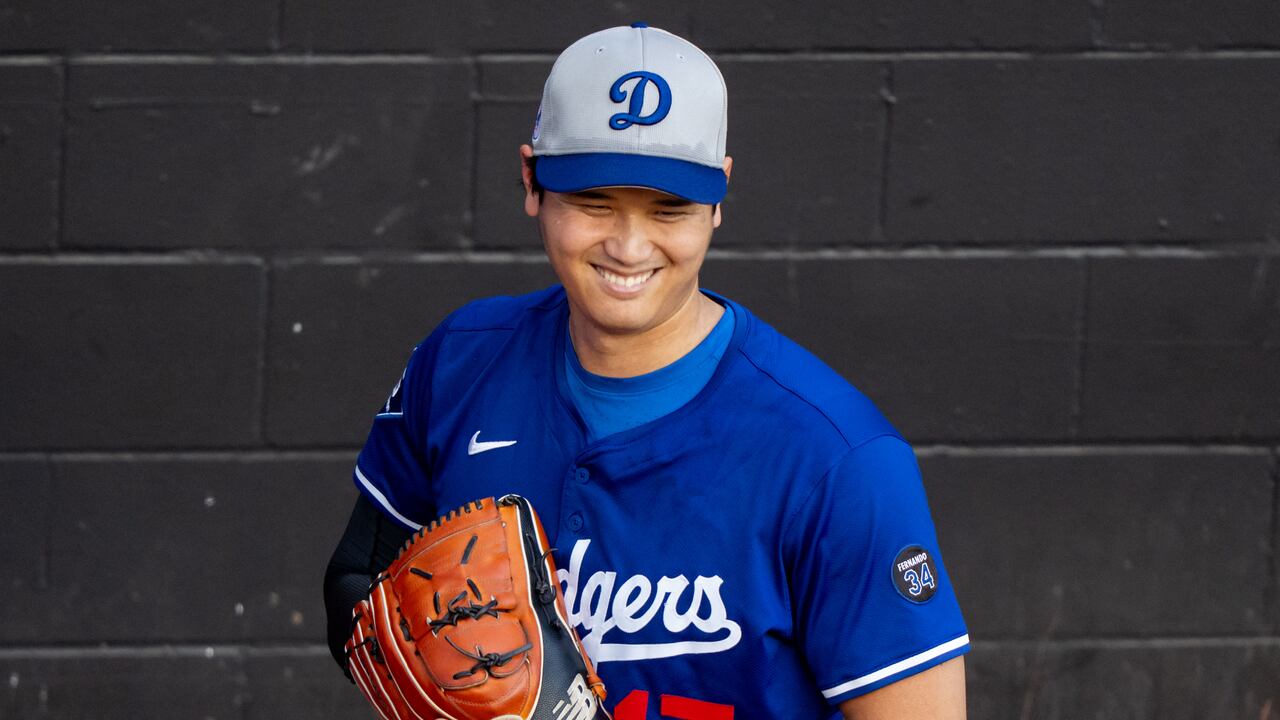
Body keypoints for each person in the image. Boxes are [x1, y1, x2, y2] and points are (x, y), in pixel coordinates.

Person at [324, 23, 969, 720]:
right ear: (531, 179)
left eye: (669, 208)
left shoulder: (839, 460)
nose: (629, 246)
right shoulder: (460, 362)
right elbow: (359, 584)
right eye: (595, 201)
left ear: (719, 196)